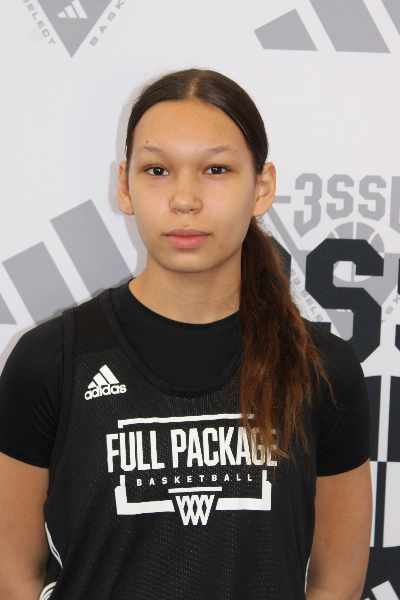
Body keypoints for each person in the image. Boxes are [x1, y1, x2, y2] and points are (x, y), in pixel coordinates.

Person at [0, 69, 372, 600]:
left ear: (262, 187)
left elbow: (337, 584)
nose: (184, 198)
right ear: (125, 186)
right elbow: (13, 577)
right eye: (157, 170)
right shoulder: (50, 362)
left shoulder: (322, 370)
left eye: (216, 169)